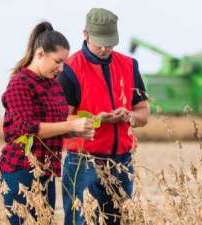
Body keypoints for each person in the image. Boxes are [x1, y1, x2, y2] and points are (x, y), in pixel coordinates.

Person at [57, 8, 150, 225]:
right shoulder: (69, 69)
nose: (105, 48)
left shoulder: (129, 65)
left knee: (120, 220)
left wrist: (129, 115)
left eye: (110, 43)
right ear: (85, 34)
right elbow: (61, 120)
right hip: (83, 162)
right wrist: (98, 120)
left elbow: (144, 113)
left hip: (122, 162)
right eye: (100, 43)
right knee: (79, 221)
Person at [0, 21, 94, 225]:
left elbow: (54, 125)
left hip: (47, 172)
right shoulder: (19, 83)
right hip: (21, 171)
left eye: (64, 63)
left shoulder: (53, 85)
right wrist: (70, 126)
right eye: (57, 61)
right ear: (40, 53)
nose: (61, 68)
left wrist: (77, 130)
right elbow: (27, 128)